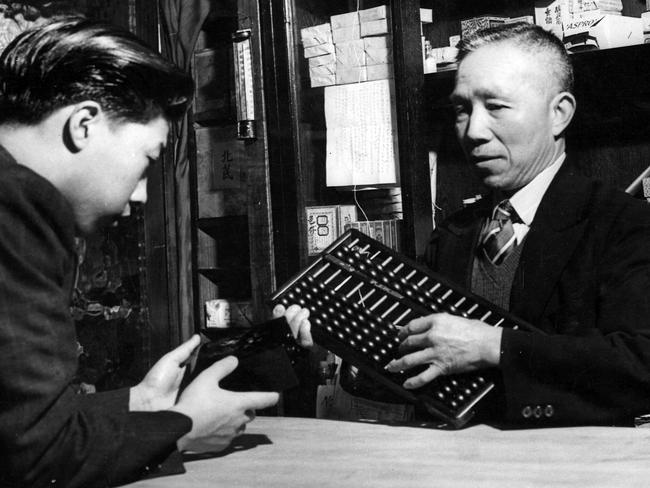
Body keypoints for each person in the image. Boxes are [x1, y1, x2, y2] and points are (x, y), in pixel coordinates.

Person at [276, 22, 650, 427]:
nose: (472, 131)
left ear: (559, 114)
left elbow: (641, 365)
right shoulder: (453, 235)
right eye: (461, 109)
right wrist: (343, 343)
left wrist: (495, 346)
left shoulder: (625, 224)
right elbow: (424, 373)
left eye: (496, 107)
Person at [0, 18, 278, 488]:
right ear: (83, 124)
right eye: (148, 159)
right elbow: (35, 456)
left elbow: (16, 425)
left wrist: (138, 403)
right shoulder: (16, 209)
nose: (142, 196)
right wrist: (184, 429)